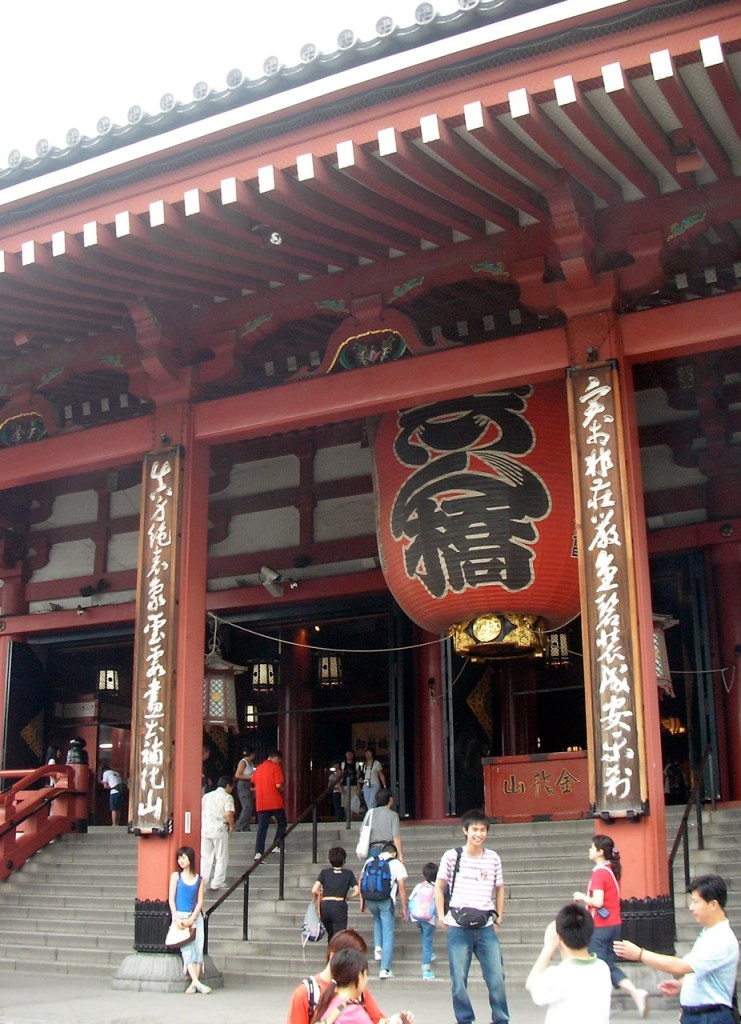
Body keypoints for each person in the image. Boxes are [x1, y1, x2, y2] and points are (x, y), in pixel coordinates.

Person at [615, 874, 740, 1024]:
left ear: (713, 904)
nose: (691, 908)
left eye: (695, 902)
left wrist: (641, 954)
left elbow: (682, 966)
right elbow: (700, 969)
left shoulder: (721, 938)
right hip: (698, 1015)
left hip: (710, 1016)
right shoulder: (709, 933)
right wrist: (682, 983)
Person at [434, 809, 509, 1024]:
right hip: (458, 926)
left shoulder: (493, 858)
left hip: (485, 926)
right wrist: (441, 915)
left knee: (497, 979)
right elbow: (439, 887)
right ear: (465, 831)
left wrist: (499, 917)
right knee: (459, 981)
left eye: (483, 829)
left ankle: (501, 1019)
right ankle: (465, 1020)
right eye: (474, 829)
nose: (479, 834)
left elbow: (500, 888)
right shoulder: (452, 856)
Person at [573, 833, 649, 1017]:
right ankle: (633, 993)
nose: (589, 850)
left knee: (597, 966)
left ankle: (625, 996)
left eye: (592, 848)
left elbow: (598, 902)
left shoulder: (599, 873)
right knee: (608, 965)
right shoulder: (612, 871)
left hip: (600, 925)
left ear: (600, 852)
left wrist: (582, 897)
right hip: (614, 923)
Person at [285, 927, 415, 1024]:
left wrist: (397, 1019)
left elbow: (378, 1020)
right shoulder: (306, 992)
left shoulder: (358, 991)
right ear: (333, 957)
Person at [526, 902, 612, 1024]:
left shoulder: (559, 974)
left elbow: (531, 984)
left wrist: (548, 949)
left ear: (559, 938)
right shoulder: (603, 968)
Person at [360, 841, 408, 980]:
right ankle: (385, 968)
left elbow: (362, 878)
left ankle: (377, 949)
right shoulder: (397, 864)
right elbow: (402, 887)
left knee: (376, 919)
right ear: (394, 853)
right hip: (386, 900)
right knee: (388, 933)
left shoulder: (370, 860)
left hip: (370, 899)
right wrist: (404, 907)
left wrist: (362, 900)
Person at [168, 845, 211, 995]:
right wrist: (176, 918)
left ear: (190, 859)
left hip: (194, 917)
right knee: (186, 950)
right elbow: (171, 899)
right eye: (179, 858)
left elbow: (200, 902)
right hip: (179, 916)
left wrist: (192, 918)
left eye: (184, 857)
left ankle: (194, 983)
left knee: (198, 950)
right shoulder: (175, 877)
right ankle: (198, 984)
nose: (181, 860)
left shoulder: (199, 880)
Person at [312, 846, 359, 939]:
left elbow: (314, 889)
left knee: (331, 934)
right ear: (344, 860)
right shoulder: (348, 873)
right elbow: (357, 891)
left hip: (325, 906)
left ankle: (330, 952)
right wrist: (348, 897)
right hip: (339, 905)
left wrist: (321, 895)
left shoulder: (324, 872)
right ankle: (335, 953)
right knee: (339, 936)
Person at [200, 774, 235, 890]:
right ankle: (217, 882)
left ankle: (203, 882)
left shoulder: (206, 796)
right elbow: (228, 813)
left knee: (205, 857)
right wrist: (231, 826)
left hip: (205, 829)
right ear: (228, 786)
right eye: (231, 787)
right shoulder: (227, 797)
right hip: (219, 828)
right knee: (221, 856)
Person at [252, 750, 287, 859]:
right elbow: (278, 784)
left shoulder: (258, 768)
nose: (279, 763)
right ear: (275, 758)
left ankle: (258, 852)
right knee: (282, 823)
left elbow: (253, 783)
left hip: (261, 802)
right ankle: (276, 845)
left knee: (262, 827)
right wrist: (282, 789)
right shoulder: (275, 768)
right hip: (274, 801)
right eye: (279, 760)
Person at [408, 861, 438, 980]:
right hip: (429, 919)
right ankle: (426, 970)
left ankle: (429, 954)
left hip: (417, 917)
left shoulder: (419, 885)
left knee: (424, 937)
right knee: (427, 943)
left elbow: (411, 898)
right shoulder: (436, 888)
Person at [361, 788, 404, 862]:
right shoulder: (393, 815)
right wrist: (400, 855)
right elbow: (396, 837)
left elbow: (362, 830)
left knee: (373, 871)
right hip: (388, 849)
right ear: (390, 799)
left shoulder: (370, 813)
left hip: (372, 849)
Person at [234, 745, 256, 831]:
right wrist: (250, 777)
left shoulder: (250, 763)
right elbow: (238, 775)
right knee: (247, 806)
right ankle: (238, 825)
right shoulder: (243, 762)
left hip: (249, 785)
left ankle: (245, 826)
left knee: (250, 806)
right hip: (243, 784)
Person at [340, 750, 361, 819]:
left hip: (354, 786)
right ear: (345, 755)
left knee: (353, 803)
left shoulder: (356, 764)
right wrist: (340, 786)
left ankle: (352, 818)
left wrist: (358, 787)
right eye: (348, 754)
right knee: (345, 804)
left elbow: (358, 777)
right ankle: (347, 818)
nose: (349, 755)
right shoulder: (343, 764)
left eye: (351, 754)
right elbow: (340, 776)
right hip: (345, 786)